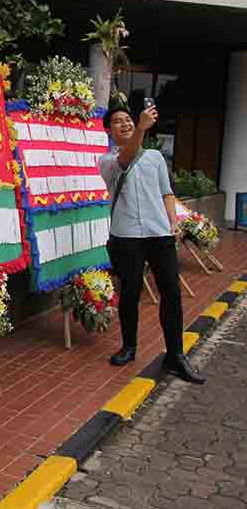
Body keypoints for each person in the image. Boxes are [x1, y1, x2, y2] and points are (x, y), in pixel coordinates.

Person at [99, 96, 205, 384]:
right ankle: (129, 347)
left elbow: (166, 193)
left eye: (128, 120)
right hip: (126, 237)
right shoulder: (107, 160)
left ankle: (176, 356)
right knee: (130, 293)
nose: (125, 124)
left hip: (160, 234)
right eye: (117, 122)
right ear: (109, 130)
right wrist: (142, 130)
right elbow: (126, 159)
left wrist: (173, 222)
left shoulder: (156, 158)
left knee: (171, 294)